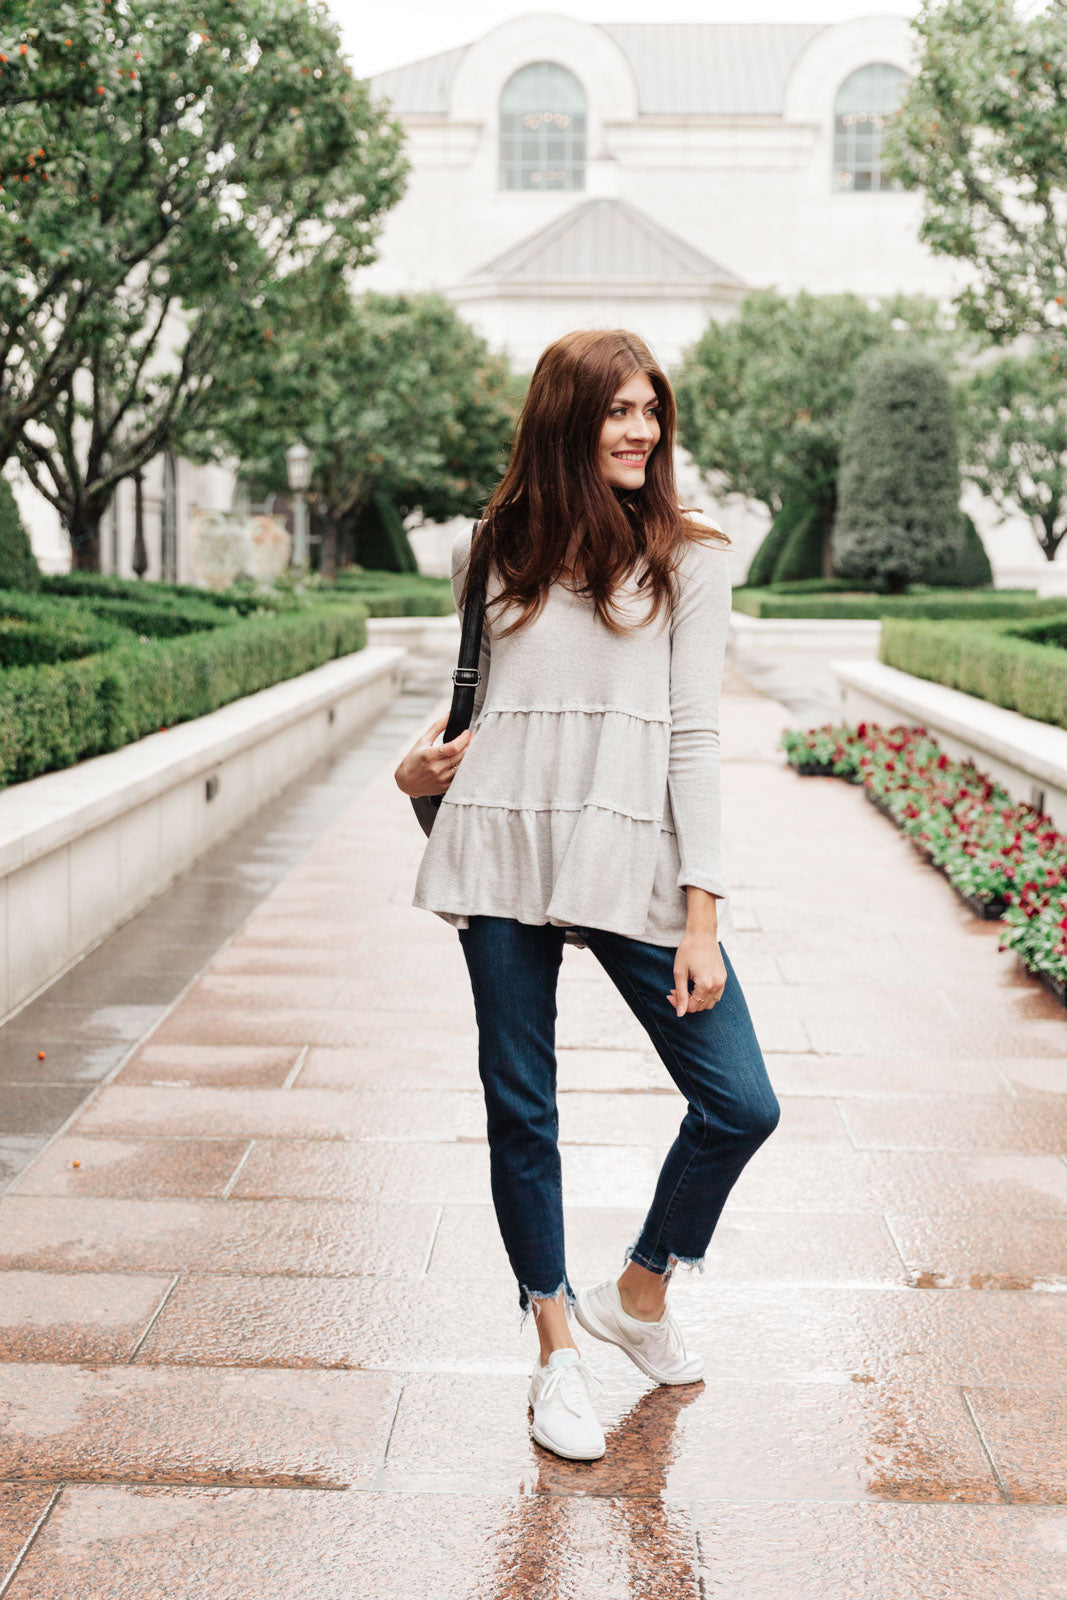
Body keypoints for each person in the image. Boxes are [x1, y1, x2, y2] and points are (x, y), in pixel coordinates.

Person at [394, 328, 780, 1463]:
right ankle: (554, 1349)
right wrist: (410, 778)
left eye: (650, 408)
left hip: (633, 860)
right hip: (503, 851)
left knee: (741, 1100)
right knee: (522, 1106)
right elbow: (464, 721)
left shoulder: (689, 557)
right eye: (616, 408)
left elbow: (697, 738)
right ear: (563, 416)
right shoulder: (488, 552)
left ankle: (639, 1292)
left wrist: (702, 910)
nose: (640, 429)